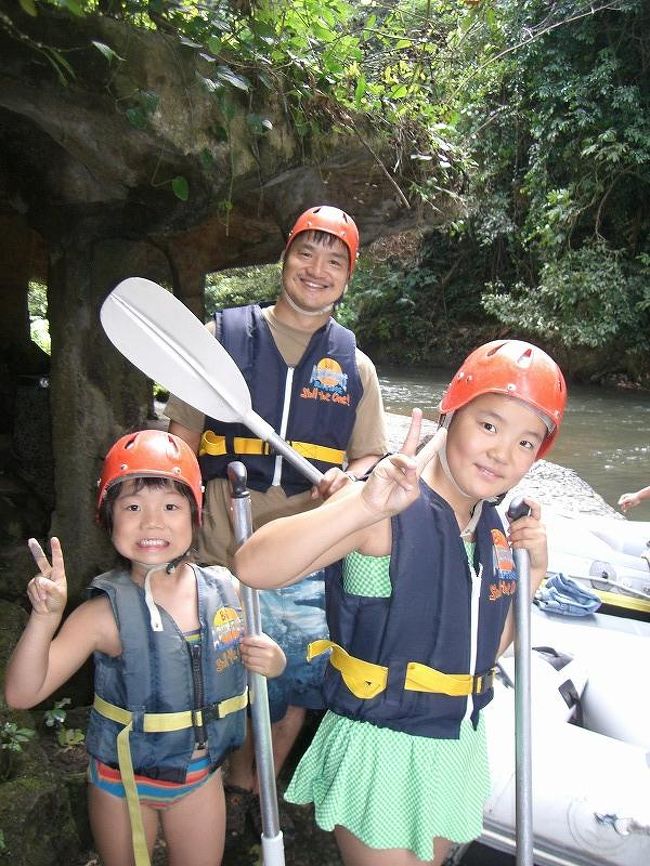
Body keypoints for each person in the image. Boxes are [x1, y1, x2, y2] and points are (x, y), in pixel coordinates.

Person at [234, 339, 568, 866]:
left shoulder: (494, 531)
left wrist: (536, 574)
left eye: (527, 443)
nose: (504, 452)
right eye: (489, 425)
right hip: (382, 745)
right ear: (450, 414)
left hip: (454, 744)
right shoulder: (385, 502)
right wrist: (360, 506)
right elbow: (253, 566)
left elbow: (482, 655)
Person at [166, 204, 388, 834]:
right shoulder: (221, 339)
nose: (316, 270)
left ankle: (249, 788)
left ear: (347, 277)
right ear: (284, 258)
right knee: (210, 675)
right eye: (305, 253)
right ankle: (194, 793)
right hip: (215, 549)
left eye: (334, 261)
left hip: (305, 557)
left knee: (289, 680)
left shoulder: (356, 368)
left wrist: (357, 479)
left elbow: (369, 459)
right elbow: (181, 441)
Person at [4, 430, 286, 866]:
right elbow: (22, 693)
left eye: (171, 507)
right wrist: (44, 618)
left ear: (195, 517)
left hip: (200, 777)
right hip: (123, 783)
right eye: (133, 507)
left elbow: (264, 655)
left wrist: (274, 659)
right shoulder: (102, 616)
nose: (152, 522)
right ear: (109, 519)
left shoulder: (228, 588)